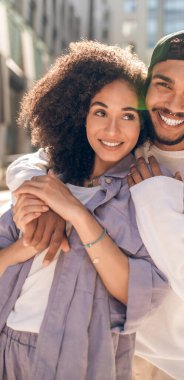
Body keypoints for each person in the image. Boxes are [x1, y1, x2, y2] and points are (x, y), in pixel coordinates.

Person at [6, 31, 184, 380]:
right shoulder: (128, 138)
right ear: (147, 88)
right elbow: (36, 161)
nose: (176, 104)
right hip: (100, 342)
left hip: (164, 359)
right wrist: (43, 198)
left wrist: (158, 210)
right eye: (164, 85)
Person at [0, 40, 169, 380]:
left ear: (144, 123)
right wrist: (24, 248)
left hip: (82, 360)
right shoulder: (47, 179)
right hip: (9, 344)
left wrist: (76, 213)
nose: (111, 130)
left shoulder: (144, 193)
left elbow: (142, 294)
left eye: (128, 116)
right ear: (81, 115)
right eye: (100, 112)